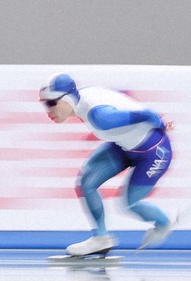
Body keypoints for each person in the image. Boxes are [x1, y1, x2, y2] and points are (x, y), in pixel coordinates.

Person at [39, 73, 176, 256]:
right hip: (123, 145)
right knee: (86, 183)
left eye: (51, 103)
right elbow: (118, 96)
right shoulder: (82, 98)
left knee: (129, 203)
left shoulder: (100, 117)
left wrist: (162, 124)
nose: (48, 110)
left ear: (67, 98)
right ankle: (101, 239)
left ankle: (164, 223)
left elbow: (147, 114)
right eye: (44, 104)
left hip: (154, 153)